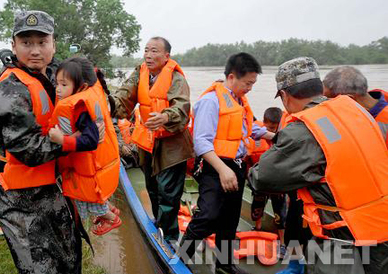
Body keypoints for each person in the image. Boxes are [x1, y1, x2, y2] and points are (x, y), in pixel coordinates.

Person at [249, 57, 388, 274]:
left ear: (284, 96)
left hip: (342, 237)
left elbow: (262, 178)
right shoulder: (359, 111)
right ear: (318, 86)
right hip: (382, 228)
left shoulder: (304, 130)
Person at [0, 11, 82, 272]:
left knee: (69, 258)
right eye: (26, 43)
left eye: (42, 42)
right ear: (14, 45)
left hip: (51, 185)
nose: (35, 51)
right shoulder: (10, 89)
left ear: (54, 44)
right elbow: (27, 149)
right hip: (17, 196)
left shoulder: (56, 76)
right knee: (40, 267)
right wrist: (79, 142)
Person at [180, 53, 275, 274]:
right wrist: (223, 170)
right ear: (232, 77)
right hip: (215, 166)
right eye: (248, 83)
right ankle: (180, 260)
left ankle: (224, 264)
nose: (250, 88)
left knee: (230, 218)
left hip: (237, 165)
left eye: (253, 83)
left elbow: (247, 129)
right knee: (208, 215)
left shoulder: (239, 100)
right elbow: (201, 141)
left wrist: (272, 135)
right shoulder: (210, 101)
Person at [110, 37, 194, 242]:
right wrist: (105, 102)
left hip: (172, 143)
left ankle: (170, 236)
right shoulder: (140, 73)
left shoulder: (176, 79)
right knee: (152, 187)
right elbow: (123, 97)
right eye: (146, 50)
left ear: (167, 56)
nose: (148, 55)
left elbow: (182, 107)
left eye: (154, 51)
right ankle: (159, 223)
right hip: (148, 141)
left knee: (168, 192)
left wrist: (166, 116)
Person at [47, 57, 122, 236]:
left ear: (81, 86)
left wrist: (62, 140)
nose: (58, 89)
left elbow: (90, 141)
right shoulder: (87, 96)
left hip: (88, 170)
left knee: (85, 198)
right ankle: (109, 210)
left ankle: (111, 218)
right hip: (88, 168)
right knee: (88, 198)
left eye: (63, 85)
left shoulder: (80, 107)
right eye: (57, 83)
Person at [248, 107, 288, 258]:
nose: (272, 131)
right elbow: (248, 160)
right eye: (269, 127)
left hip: (278, 185)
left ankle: (283, 243)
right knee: (257, 207)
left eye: (275, 128)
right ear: (263, 124)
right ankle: (257, 228)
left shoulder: (284, 139)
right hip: (260, 182)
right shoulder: (256, 138)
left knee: (280, 213)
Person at [322, 66, 388, 146]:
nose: (326, 104)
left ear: (350, 99)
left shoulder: (383, 127)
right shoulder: (361, 113)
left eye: (330, 100)